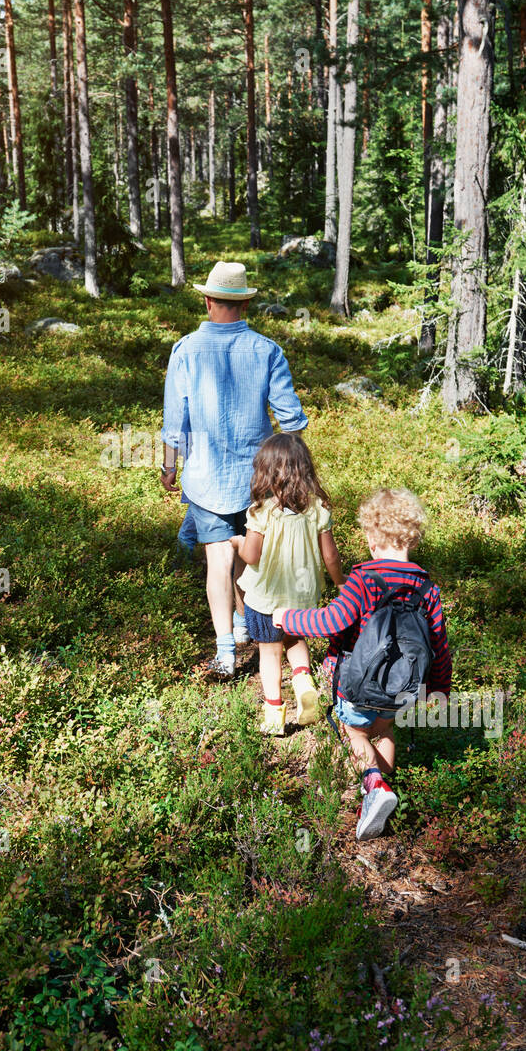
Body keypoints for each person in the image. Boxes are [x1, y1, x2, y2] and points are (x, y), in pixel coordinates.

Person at [272, 488, 451, 841]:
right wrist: (441, 689)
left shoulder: (364, 579)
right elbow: (439, 645)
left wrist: (288, 618)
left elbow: (332, 622)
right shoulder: (426, 587)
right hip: (403, 687)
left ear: (371, 537)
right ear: (411, 537)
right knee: (383, 732)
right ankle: (381, 788)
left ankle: (373, 788)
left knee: (355, 733)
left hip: (356, 684)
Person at [161, 260, 308, 676]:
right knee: (249, 553)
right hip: (258, 478)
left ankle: (226, 651)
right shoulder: (266, 351)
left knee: (218, 562)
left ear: (207, 301)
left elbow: (176, 419)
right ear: (244, 304)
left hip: (205, 477)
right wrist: (293, 464)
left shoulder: (185, 349)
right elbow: (291, 419)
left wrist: (170, 467)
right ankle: (248, 626)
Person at [231, 433, 344, 735]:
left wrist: (238, 543)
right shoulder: (318, 509)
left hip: (265, 598)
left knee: (269, 653)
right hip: (303, 596)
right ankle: (304, 681)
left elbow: (251, 556)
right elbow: (330, 555)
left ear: (267, 472)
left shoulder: (261, 512)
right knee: (295, 640)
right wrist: (341, 583)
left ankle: (273, 716)